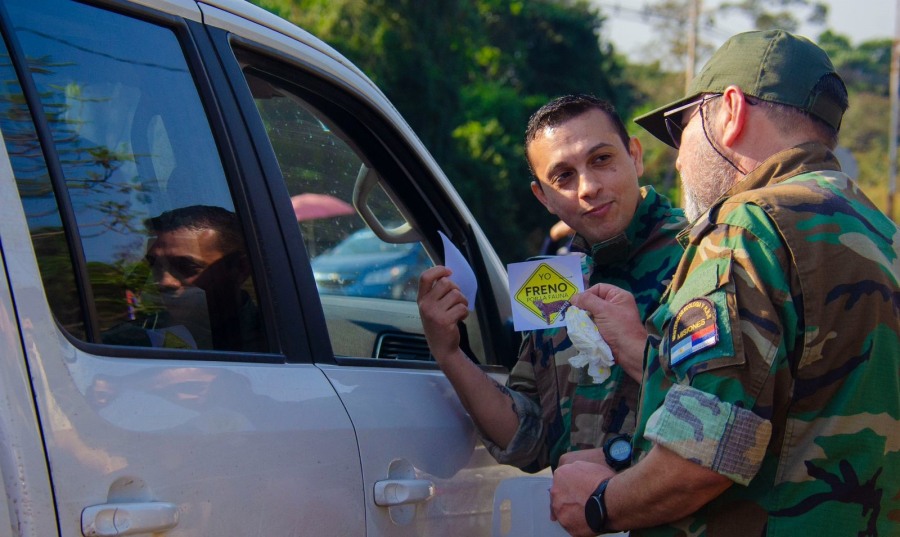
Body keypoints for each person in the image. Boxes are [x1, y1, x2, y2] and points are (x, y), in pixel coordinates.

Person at [551, 30, 900, 537]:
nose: (675, 159)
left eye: (682, 128)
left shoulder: (746, 227)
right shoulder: (880, 230)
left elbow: (707, 453)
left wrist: (600, 503)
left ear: (731, 111)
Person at [417, 95, 687, 474]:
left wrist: (641, 354)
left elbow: (736, 418)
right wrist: (450, 354)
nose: (588, 187)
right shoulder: (551, 279)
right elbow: (530, 440)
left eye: (602, 160)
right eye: (563, 176)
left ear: (635, 156)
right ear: (543, 197)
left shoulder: (703, 255)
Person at [104, 205, 265, 352]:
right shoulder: (130, 342)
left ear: (241, 269)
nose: (163, 282)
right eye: (155, 265)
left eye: (186, 267)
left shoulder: (273, 338)